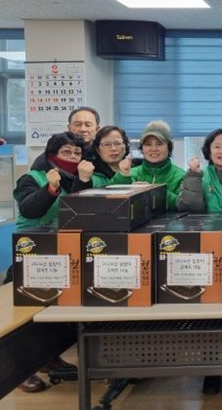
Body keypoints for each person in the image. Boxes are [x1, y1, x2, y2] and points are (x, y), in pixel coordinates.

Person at [12, 131, 93, 392]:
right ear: (51, 154)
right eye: (66, 152)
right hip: (32, 253)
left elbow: (79, 213)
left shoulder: (78, 178)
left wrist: (83, 181)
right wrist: (50, 189)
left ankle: (48, 358)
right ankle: (20, 369)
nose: (73, 157)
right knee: (27, 314)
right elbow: (29, 209)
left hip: (64, 253)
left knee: (57, 313)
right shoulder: (33, 177)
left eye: (77, 153)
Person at [111, 120, 185, 211]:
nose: (153, 149)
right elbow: (114, 204)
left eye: (159, 144)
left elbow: (182, 205)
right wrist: (123, 177)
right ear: (141, 148)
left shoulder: (181, 176)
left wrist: (154, 191)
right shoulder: (131, 174)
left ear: (169, 147)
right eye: (148, 144)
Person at [30, 106, 101, 170]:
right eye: (77, 124)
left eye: (88, 125)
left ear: (97, 130)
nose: (83, 129)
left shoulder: (103, 152)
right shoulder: (52, 154)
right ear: (69, 128)